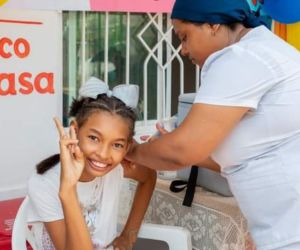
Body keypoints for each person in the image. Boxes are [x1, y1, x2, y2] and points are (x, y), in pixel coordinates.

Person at [126, 0, 300, 249]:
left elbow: (181, 150)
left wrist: (131, 151)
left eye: (184, 37)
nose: (183, 50)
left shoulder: (241, 58)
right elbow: (252, 157)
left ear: (213, 25)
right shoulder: (260, 49)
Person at [27, 77, 157, 250]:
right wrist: (68, 190)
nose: (103, 154)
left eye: (117, 145)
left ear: (127, 147)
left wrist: (128, 235)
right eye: (94, 138)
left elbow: (149, 176)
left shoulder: (117, 169)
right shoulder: (43, 183)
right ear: (74, 130)